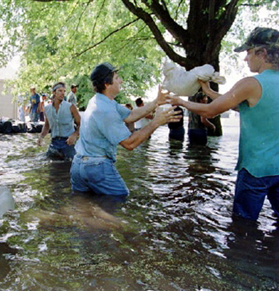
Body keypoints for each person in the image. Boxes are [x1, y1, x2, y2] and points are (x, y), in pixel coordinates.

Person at [169, 27, 279, 221]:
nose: (245, 59)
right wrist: (209, 91)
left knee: (243, 226)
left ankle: (242, 251)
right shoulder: (259, 87)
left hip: (255, 170)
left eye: (248, 52)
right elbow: (241, 105)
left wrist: (181, 102)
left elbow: (211, 111)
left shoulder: (251, 84)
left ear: (262, 53)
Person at [71, 62, 181, 195]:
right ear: (107, 84)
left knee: (81, 205)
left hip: (78, 166)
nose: (121, 81)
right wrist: (156, 122)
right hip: (97, 167)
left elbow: (130, 115)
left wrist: (156, 102)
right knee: (120, 201)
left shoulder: (99, 100)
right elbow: (129, 143)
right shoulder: (105, 109)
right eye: (117, 78)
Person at [38, 82, 81, 160]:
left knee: (70, 166)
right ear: (54, 92)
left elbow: (81, 124)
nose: (63, 93)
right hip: (54, 143)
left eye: (64, 91)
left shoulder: (71, 107)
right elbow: (47, 126)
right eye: (60, 91)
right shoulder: (47, 109)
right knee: (47, 166)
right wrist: (41, 137)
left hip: (68, 143)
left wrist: (74, 135)